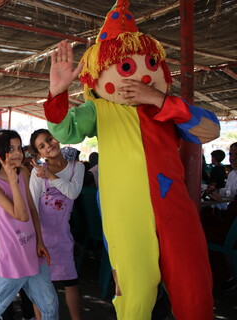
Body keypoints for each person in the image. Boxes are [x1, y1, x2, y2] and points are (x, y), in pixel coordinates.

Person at [43, 1, 219, 319]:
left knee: (194, 293)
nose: (141, 73)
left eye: (152, 62)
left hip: (175, 209)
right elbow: (67, 131)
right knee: (135, 297)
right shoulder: (100, 110)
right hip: (126, 216)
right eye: (126, 67)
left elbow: (209, 129)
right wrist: (57, 93)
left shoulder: (168, 108)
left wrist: (158, 99)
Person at [0, 129, 59, 320]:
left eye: (18, 148)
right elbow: (21, 216)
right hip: (12, 258)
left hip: (33, 252)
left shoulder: (22, 172)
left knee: (50, 306)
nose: (17, 153)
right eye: (10, 149)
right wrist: (13, 182)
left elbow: (31, 210)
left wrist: (39, 241)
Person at [29, 129, 84, 320]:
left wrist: (51, 176)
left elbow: (73, 193)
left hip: (63, 237)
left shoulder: (77, 167)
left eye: (49, 139)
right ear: (39, 154)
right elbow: (32, 207)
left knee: (71, 281)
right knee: (41, 285)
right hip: (41, 237)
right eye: (42, 146)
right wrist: (37, 241)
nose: (49, 145)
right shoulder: (37, 174)